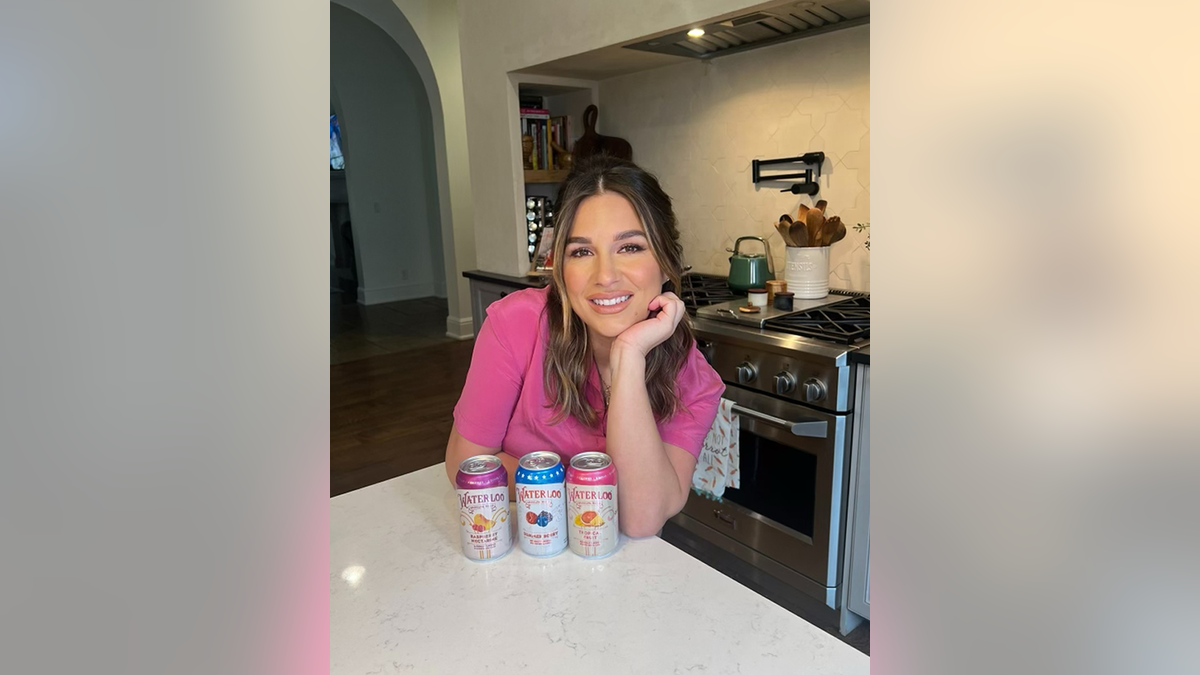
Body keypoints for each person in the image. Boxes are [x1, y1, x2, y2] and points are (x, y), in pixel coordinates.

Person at [445, 155, 724, 538]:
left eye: (630, 248)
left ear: (666, 264)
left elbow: (640, 520)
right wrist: (591, 496)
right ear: (560, 269)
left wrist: (629, 355)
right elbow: (467, 463)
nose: (606, 276)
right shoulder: (516, 325)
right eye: (581, 252)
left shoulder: (693, 379)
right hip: (525, 548)